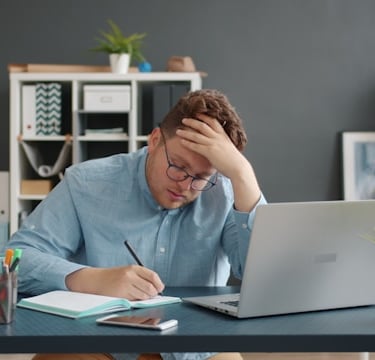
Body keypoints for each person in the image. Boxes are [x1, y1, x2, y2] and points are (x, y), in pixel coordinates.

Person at [8, 89, 266, 360]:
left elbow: (263, 277)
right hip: (97, 343)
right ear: (154, 140)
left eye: (201, 177)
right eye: (178, 165)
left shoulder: (225, 194)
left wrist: (242, 175)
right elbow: (12, 261)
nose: (185, 184)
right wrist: (87, 278)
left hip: (196, 350)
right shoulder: (86, 183)